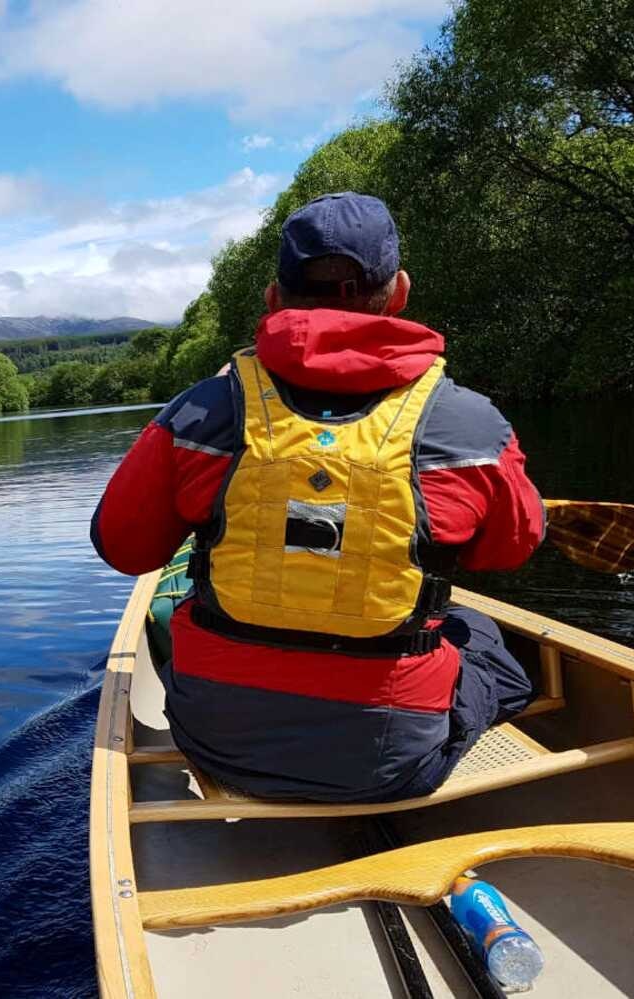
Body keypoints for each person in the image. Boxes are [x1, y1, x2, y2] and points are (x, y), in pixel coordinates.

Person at [91, 192, 545, 802]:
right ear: (400, 290)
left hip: (218, 742)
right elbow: (506, 552)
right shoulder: (470, 424)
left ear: (273, 297)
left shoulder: (200, 414)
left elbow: (124, 547)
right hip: (391, 758)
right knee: (482, 636)